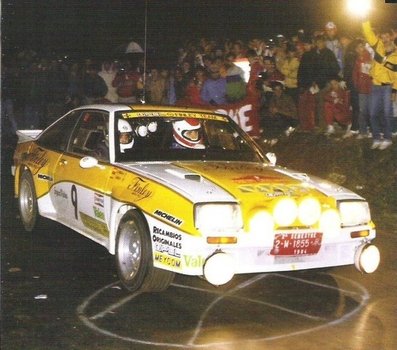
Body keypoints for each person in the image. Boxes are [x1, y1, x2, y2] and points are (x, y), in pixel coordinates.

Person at [362, 20, 394, 150]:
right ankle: (376, 137)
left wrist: (395, 91)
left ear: (391, 37)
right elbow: (368, 33)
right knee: (372, 113)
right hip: (375, 85)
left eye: (387, 36)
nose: (385, 39)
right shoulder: (377, 45)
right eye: (383, 36)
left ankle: (387, 138)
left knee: (387, 113)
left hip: (388, 87)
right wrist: (365, 20)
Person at [352, 39, 372, 139]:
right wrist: (356, 84)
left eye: (361, 46)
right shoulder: (357, 59)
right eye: (358, 47)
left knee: (372, 110)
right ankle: (363, 131)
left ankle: (372, 130)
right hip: (361, 89)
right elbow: (355, 73)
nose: (360, 49)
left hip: (371, 87)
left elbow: (370, 72)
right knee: (362, 110)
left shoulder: (369, 56)